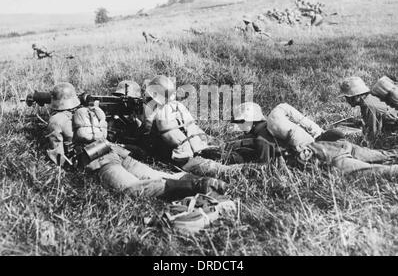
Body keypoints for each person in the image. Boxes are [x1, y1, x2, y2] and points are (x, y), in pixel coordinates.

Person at [45, 82, 227, 201]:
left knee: (132, 189)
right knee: (156, 174)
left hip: (97, 162)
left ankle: (194, 186)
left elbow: (57, 155)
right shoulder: (88, 110)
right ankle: (206, 181)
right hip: (114, 151)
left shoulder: (56, 121)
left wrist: (72, 170)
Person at [229, 102, 398, 177]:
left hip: (325, 159)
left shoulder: (261, 139)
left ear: (248, 121)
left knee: (384, 171)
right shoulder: (276, 125)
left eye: (239, 123)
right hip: (336, 145)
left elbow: (268, 171)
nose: (238, 127)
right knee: (386, 154)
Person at [142, 75, 237, 178]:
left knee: (223, 170)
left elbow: (147, 139)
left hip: (181, 157)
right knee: (226, 166)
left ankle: (238, 169)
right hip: (196, 147)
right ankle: (241, 167)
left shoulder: (153, 113)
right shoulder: (177, 106)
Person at [340, 76, 398, 141]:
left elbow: (373, 135)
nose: (346, 100)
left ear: (355, 96)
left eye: (347, 97)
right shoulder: (368, 99)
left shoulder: (368, 105)